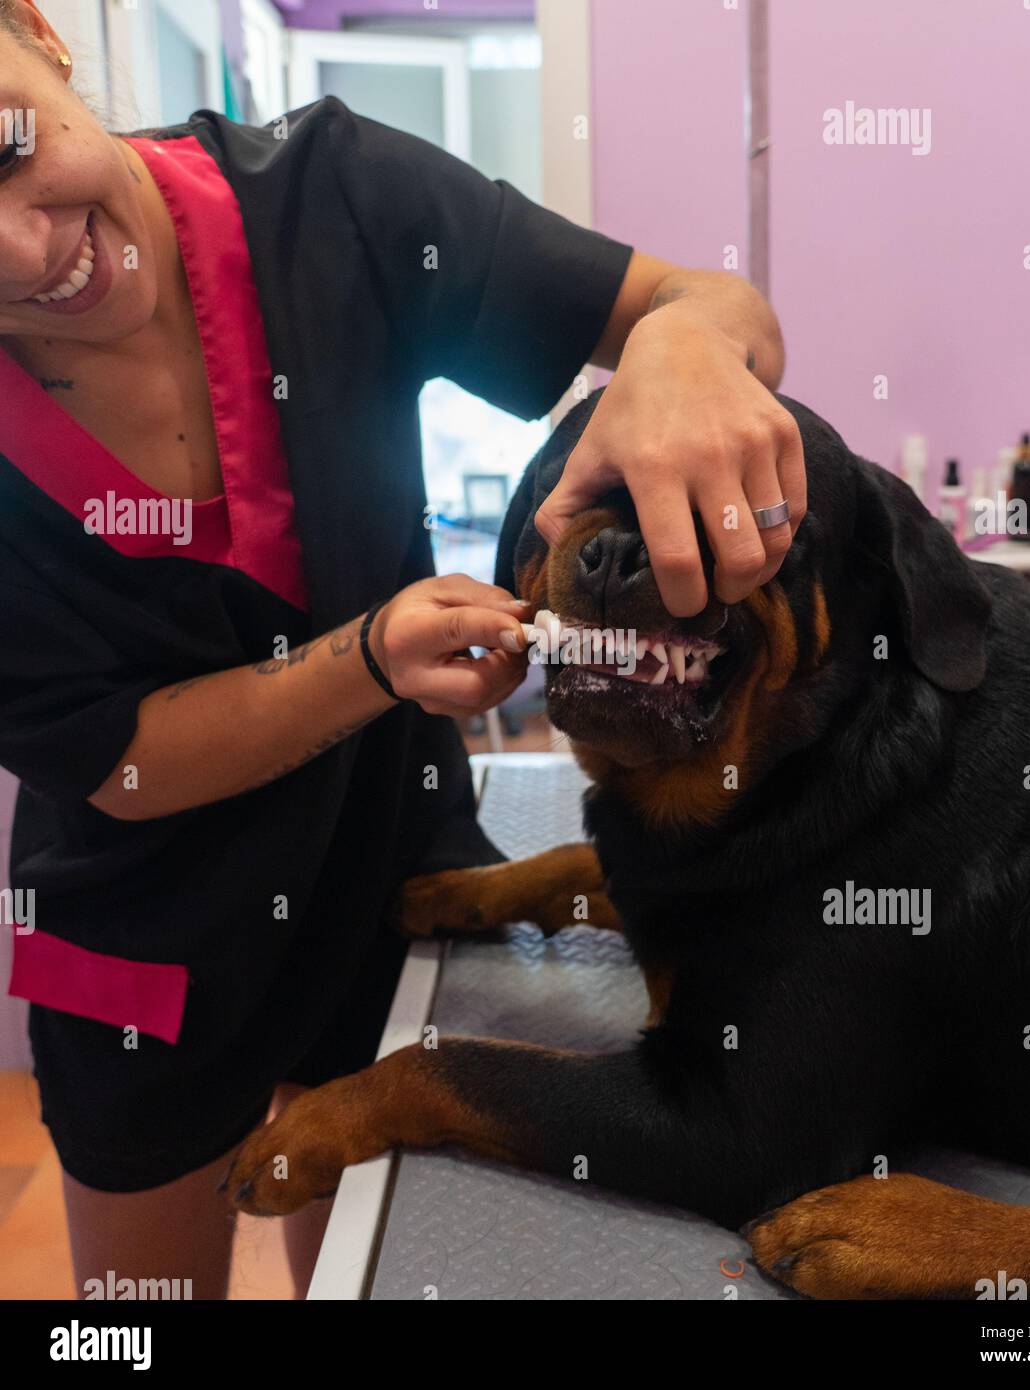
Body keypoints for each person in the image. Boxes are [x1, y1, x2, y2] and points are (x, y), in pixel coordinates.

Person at [0, 0, 806, 1298]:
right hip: (136, 941)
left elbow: (706, 307)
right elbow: (122, 760)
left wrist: (681, 354)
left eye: (2, 149)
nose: (27, 255)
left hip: (388, 880)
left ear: (40, 37)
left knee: (371, 1264)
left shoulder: (339, 201)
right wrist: (368, 659)